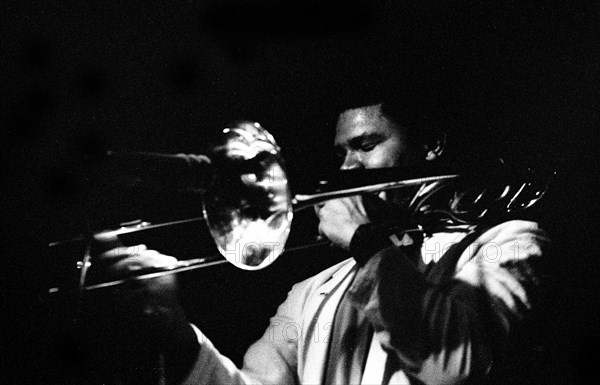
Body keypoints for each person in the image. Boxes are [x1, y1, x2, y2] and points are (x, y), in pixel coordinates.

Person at [91, 102, 549, 384]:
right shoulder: (311, 292)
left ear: (430, 145)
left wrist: (364, 240)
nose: (347, 170)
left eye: (366, 145)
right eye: (340, 153)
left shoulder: (505, 245)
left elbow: (456, 365)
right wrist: (174, 329)